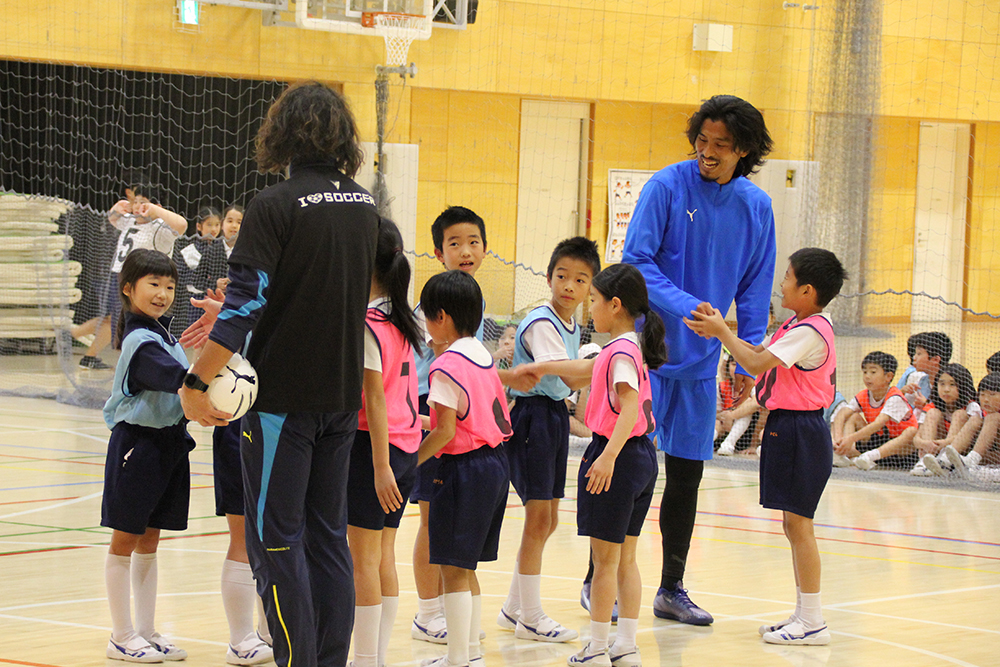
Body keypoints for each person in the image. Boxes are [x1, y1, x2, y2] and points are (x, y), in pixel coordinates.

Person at [178, 81, 380, 667]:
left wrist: (196, 384)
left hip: (280, 404)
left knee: (275, 540)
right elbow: (318, 294)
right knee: (327, 541)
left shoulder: (273, 205)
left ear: (282, 132)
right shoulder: (364, 207)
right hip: (340, 400)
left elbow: (246, 305)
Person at [621, 94, 776, 624]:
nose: (707, 153)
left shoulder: (757, 206)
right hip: (648, 351)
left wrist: (748, 346)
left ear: (745, 151)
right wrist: (689, 306)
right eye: (702, 141)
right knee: (629, 471)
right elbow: (635, 260)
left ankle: (671, 588)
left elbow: (756, 284)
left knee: (685, 477)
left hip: (703, 361)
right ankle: (604, 577)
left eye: (721, 146)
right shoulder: (665, 186)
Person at [686, 247, 846, 646]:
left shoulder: (810, 331)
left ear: (807, 290)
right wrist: (722, 334)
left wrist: (723, 332)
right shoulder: (797, 323)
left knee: (800, 526)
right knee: (793, 525)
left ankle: (813, 622)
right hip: (790, 427)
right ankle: (803, 614)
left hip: (801, 431)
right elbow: (758, 355)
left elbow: (755, 366)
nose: (782, 283)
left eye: (788, 277)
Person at [523, 263, 665, 667]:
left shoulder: (620, 352)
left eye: (595, 301)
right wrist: (542, 367)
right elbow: (587, 370)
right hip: (640, 458)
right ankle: (626, 645)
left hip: (617, 455)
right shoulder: (623, 348)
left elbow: (630, 406)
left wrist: (606, 457)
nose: (590, 309)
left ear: (615, 305)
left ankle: (598, 648)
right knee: (626, 559)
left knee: (604, 562)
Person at [409, 206, 535, 644]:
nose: (465, 250)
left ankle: (453, 630)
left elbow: (464, 384)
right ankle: (431, 614)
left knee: (453, 551)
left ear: (485, 248)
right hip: (439, 413)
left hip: (458, 430)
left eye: (473, 242)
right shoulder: (433, 311)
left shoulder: (466, 317)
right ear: (438, 251)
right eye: (454, 243)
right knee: (435, 530)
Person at [497, 236, 600, 643]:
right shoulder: (541, 321)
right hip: (532, 417)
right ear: (549, 277)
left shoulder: (573, 324)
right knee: (539, 518)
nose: (569, 286)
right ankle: (531, 617)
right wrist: (609, 361)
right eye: (562, 276)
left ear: (591, 286)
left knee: (550, 518)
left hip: (553, 418)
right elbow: (570, 376)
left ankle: (513, 608)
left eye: (580, 279)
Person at [101, 249, 193, 662]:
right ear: (129, 288)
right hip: (138, 445)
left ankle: (146, 629)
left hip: (168, 444)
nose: (163, 293)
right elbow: (174, 378)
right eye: (153, 284)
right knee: (125, 540)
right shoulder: (139, 339)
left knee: (150, 541)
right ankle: (121, 635)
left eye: (170, 286)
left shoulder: (164, 335)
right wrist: (206, 385)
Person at [417, 270, 512, 667]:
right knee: (467, 566)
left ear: (441, 317)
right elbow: (462, 418)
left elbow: (443, 432)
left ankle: (457, 658)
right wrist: (410, 421)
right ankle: (470, 652)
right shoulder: (483, 355)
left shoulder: (445, 365)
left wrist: (410, 462)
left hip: (461, 470)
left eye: (425, 315)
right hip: (495, 465)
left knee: (453, 569)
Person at [347, 219, 423, 667]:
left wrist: (378, 467)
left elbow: (374, 397)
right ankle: (375, 656)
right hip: (405, 448)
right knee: (382, 555)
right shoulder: (403, 321)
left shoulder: (370, 323)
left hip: (376, 452)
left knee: (363, 561)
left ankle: (366, 658)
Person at [73, 181, 187, 370]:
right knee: (119, 322)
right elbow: (113, 218)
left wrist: (155, 211)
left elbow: (182, 225)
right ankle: (98, 352)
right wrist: (117, 208)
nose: (136, 206)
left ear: (156, 206)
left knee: (135, 322)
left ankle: (80, 337)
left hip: (145, 283)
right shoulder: (129, 221)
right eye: (134, 201)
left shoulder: (159, 226)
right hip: (120, 277)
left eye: (142, 202)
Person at [831, 351, 919, 470]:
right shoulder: (864, 395)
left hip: (900, 451)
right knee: (853, 417)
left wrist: (851, 438)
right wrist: (838, 438)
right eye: (865, 372)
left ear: (888, 377)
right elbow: (841, 414)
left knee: (911, 431)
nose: (867, 376)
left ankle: (869, 457)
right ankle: (848, 453)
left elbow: (878, 424)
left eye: (873, 372)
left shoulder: (895, 397)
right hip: (877, 441)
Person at [913, 363, 981, 476]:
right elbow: (916, 438)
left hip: (959, 453)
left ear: (963, 386)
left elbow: (969, 434)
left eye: (952, 384)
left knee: (959, 414)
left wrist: (944, 443)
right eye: (942, 384)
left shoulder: (971, 406)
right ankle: (925, 462)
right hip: (935, 448)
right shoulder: (932, 406)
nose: (946, 389)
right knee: (933, 413)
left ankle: (945, 461)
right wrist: (926, 444)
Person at [941, 373, 1000, 478]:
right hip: (991, 456)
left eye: (992, 394)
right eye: (982, 394)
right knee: (975, 420)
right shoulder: (980, 413)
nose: (986, 399)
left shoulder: (993, 417)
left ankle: (972, 461)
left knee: (993, 417)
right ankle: (945, 460)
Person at [898, 332, 952, 410]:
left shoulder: (950, 382)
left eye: (919, 354)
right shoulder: (922, 381)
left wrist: (926, 405)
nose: (914, 358)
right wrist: (901, 393)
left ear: (935, 360)